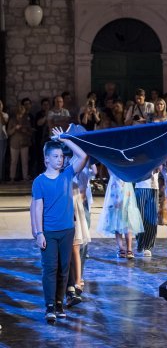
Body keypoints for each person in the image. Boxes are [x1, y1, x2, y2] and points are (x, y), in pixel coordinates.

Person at [30, 127, 89, 323]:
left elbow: (83, 155)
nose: (60, 159)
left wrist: (65, 139)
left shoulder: (67, 174)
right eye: (55, 156)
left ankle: (59, 303)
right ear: (47, 159)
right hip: (49, 232)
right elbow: (37, 208)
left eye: (62, 156)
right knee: (50, 269)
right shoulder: (39, 182)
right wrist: (38, 233)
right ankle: (49, 306)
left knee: (64, 268)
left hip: (67, 231)